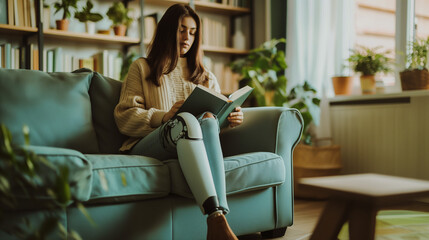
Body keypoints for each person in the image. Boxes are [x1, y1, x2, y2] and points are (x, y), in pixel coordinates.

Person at [114, 3, 243, 240]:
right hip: (148, 146)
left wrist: (228, 119)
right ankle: (218, 222)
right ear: (167, 30)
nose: (187, 37)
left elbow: (210, 125)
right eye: (181, 30)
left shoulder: (206, 76)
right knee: (184, 121)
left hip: (189, 144)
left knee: (207, 118)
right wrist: (163, 116)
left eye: (193, 32)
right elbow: (125, 117)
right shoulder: (142, 68)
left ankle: (218, 219)